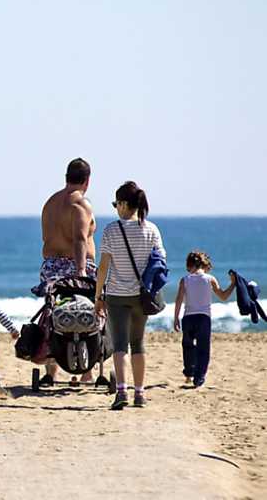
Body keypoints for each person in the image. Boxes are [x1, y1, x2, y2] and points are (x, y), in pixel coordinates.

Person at [93, 181, 166, 410]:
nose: (116, 208)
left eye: (116, 204)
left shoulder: (111, 230)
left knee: (119, 345)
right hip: (141, 296)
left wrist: (98, 296)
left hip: (116, 295)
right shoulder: (151, 230)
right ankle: (140, 393)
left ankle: (122, 391)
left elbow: (103, 267)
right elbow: (160, 262)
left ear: (124, 204)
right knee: (138, 343)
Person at [36, 157, 97, 386]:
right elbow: (80, 238)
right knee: (87, 313)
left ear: (66, 177)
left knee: (53, 313)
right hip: (75, 265)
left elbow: (46, 236)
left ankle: (52, 372)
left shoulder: (50, 202)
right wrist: (81, 270)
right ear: (87, 180)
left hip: (51, 265)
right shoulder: (81, 203)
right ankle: (86, 372)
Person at [173, 251, 236, 388]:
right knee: (203, 349)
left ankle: (189, 371)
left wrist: (176, 318)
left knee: (187, 346)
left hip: (188, 318)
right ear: (205, 265)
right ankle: (199, 378)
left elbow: (179, 299)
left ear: (189, 265)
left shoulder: (185, 280)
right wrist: (233, 284)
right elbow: (223, 296)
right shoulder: (210, 279)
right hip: (203, 318)